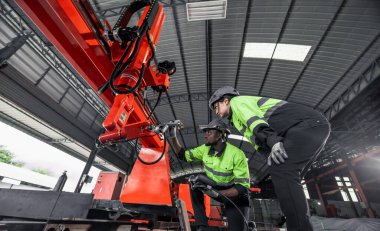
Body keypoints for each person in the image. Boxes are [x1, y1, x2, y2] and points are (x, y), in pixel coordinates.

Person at [209, 86, 331, 231]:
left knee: (283, 170)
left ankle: (299, 227)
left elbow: (256, 123)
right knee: (284, 171)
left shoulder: (238, 102)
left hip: (306, 125)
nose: (216, 112)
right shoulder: (236, 120)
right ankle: (300, 225)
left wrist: (273, 141)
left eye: (216, 106)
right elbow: (256, 140)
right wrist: (268, 155)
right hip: (310, 128)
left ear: (226, 100)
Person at [168, 118, 250, 231]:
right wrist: (173, 136)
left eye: (209, 132)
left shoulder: (236, 154)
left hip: (235, 195)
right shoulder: (205, 149)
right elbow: (183, 155)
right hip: (216, 187)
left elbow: (242, 188)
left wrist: (218, 194)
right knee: (194, 181)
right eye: (206, 132)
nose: (205, 135)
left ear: (220, 135)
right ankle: (201, 225)